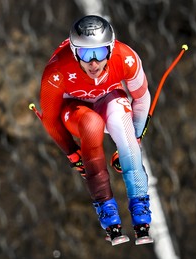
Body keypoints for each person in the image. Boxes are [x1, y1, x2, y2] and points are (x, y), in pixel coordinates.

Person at [38, 15, 152, 244]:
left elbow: (141, 98)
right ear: (73, 51)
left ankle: (141, 210)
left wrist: (136, 139)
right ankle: (107, 211)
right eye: (84, 54)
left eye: (99, 53)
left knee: (123, 125)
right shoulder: (58, 70)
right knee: (92, 125)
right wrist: (73, 154)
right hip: (76, 111)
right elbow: (50, 120)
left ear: (110, 49)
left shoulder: (126, 58)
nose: (92, 63)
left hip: (109, 99)